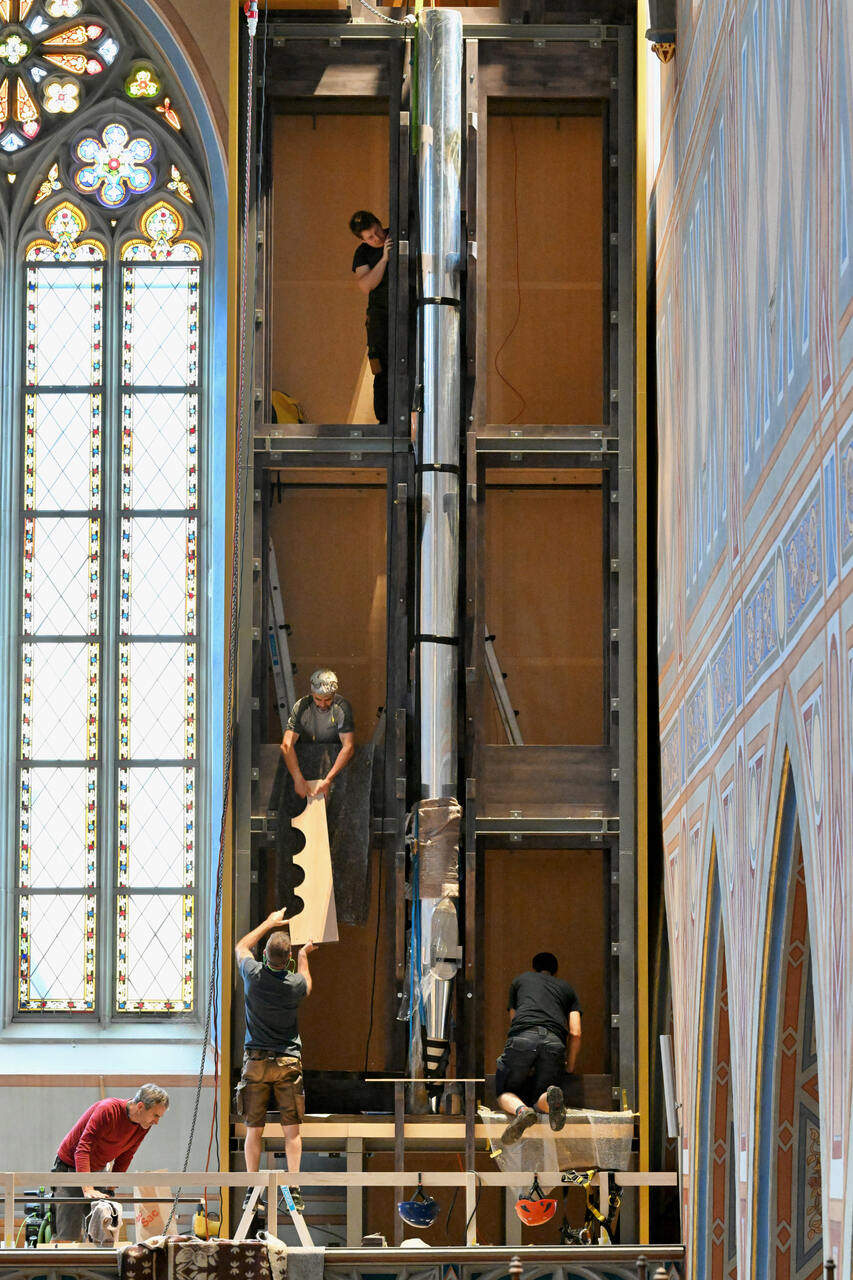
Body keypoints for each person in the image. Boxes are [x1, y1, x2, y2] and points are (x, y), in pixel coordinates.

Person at [235, 908, 317, 1213]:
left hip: (255, 1060)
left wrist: (268, 922)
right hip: (287, 1062)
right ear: (288, 960)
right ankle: (293, 1188)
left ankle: (252, 1190)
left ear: (266, 955)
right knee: (291, 1130)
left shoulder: (253, 976)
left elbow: (241, 947)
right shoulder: (293, 985)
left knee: (253, 1129)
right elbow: (307, 983)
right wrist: (306, 955)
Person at [52, 1083, 170, 1241]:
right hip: (69, 1166)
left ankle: (92, 1266)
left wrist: (111, 1185)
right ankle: (58, 1264)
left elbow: (127, 1154)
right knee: (67, 1234)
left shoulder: (143, 1125)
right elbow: (82, 1149)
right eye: (155, 1115)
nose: (157, 1122)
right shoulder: (108, 1110)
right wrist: (87, 1189)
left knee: (101, 1231)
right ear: (141, 1106)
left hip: (98, 1169)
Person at [496, 952, 582, 1145]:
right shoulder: (567, 989)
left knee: (504, 1091)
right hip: (554, 1042)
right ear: (556, 971)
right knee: (542, 1092)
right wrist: (569, 1067)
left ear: (533, 967)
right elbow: (575, 1032)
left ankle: (522, 1111)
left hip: (522, 1038)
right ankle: (549, 1099)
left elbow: (514, 1020)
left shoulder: (520, 981)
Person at [281, 668, 355, 800]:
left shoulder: (342, 707)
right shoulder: (302, 706)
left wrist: (328, 779)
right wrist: (298, 778)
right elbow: (287, 745)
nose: (322, 704)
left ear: (334, 695)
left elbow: (348, 747)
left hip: (334, 764)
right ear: (312, 693)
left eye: (327, 699)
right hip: (303, 763)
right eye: (318, 699)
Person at [350, 210, 392, 424]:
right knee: (380, 367)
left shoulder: (396, 235)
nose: (377, 239)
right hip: (379, 315)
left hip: (408, 310)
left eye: (377, 232)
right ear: (362, 240)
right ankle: (384, 419)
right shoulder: (363, 253)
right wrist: (384, 259)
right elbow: (366, 285)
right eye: (370, 237)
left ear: (379, 223)